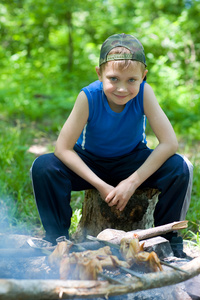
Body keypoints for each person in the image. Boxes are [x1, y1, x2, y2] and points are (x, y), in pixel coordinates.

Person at [31, 33, 193, 257]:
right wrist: (100, 185)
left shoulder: (145, 93)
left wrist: (132, 182)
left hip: (131, 161)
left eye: (132, 80)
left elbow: (169, 143)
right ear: (100, 74)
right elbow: (63, 148)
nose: (122, 88)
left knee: (180, 166)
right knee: (44, 166)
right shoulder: (88, 97)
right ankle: (57, 238)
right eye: (114, 79)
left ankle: (167, 240)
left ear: (143, 77)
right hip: (91, 161)